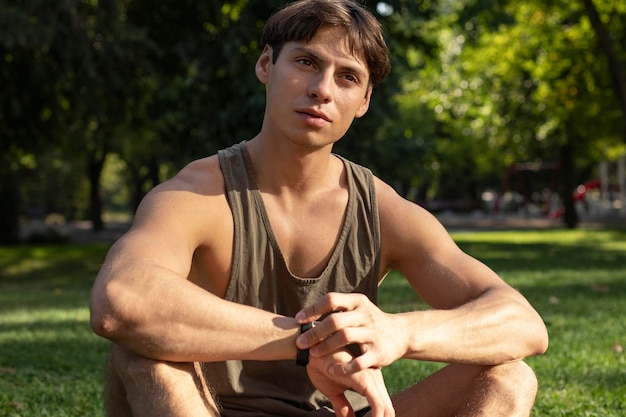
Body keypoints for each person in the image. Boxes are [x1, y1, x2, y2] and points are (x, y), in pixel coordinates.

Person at [89, 1, 549, 416]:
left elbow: (523, 323)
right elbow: (122, 300)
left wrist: (397, 333)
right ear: (266, 63)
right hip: (200, 407)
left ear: (364, 100)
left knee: (509, 376)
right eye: (306, 62)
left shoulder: (383, 210)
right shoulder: (196, 193)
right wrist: (312, 344)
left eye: (348, 77)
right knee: (143, 353)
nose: (322, 89)